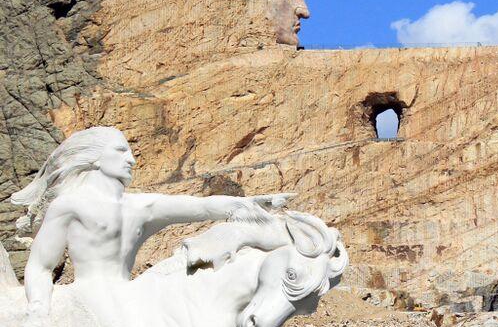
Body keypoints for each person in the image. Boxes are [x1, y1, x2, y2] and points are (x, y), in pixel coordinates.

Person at [11, 126, 289, 315]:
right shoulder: (70, 204)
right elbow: (40, 266)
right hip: (87, 301)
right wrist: (39, 308)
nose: (131, 160)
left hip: (129, 299)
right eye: (121, 151)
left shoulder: (141, 207)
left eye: (130, 152)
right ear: (94, 157)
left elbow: (203, 207)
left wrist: (249, 204)